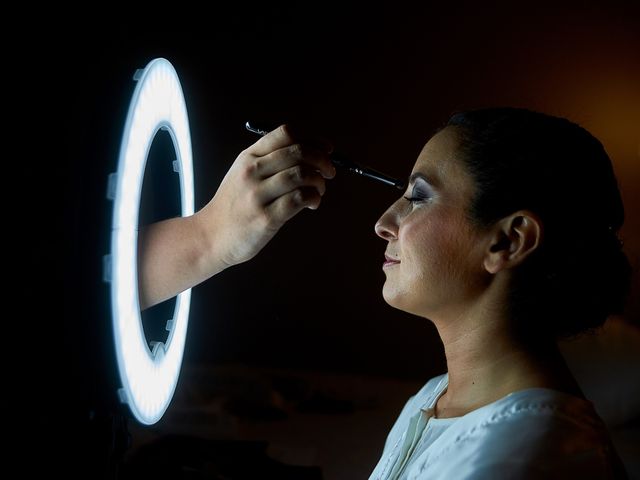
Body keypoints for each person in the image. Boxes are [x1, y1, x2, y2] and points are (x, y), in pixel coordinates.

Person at [138, 108, 631, 478]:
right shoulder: (431, 398)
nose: (383, 223)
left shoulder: (529, 457)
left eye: (417, 196)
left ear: (508, 239)